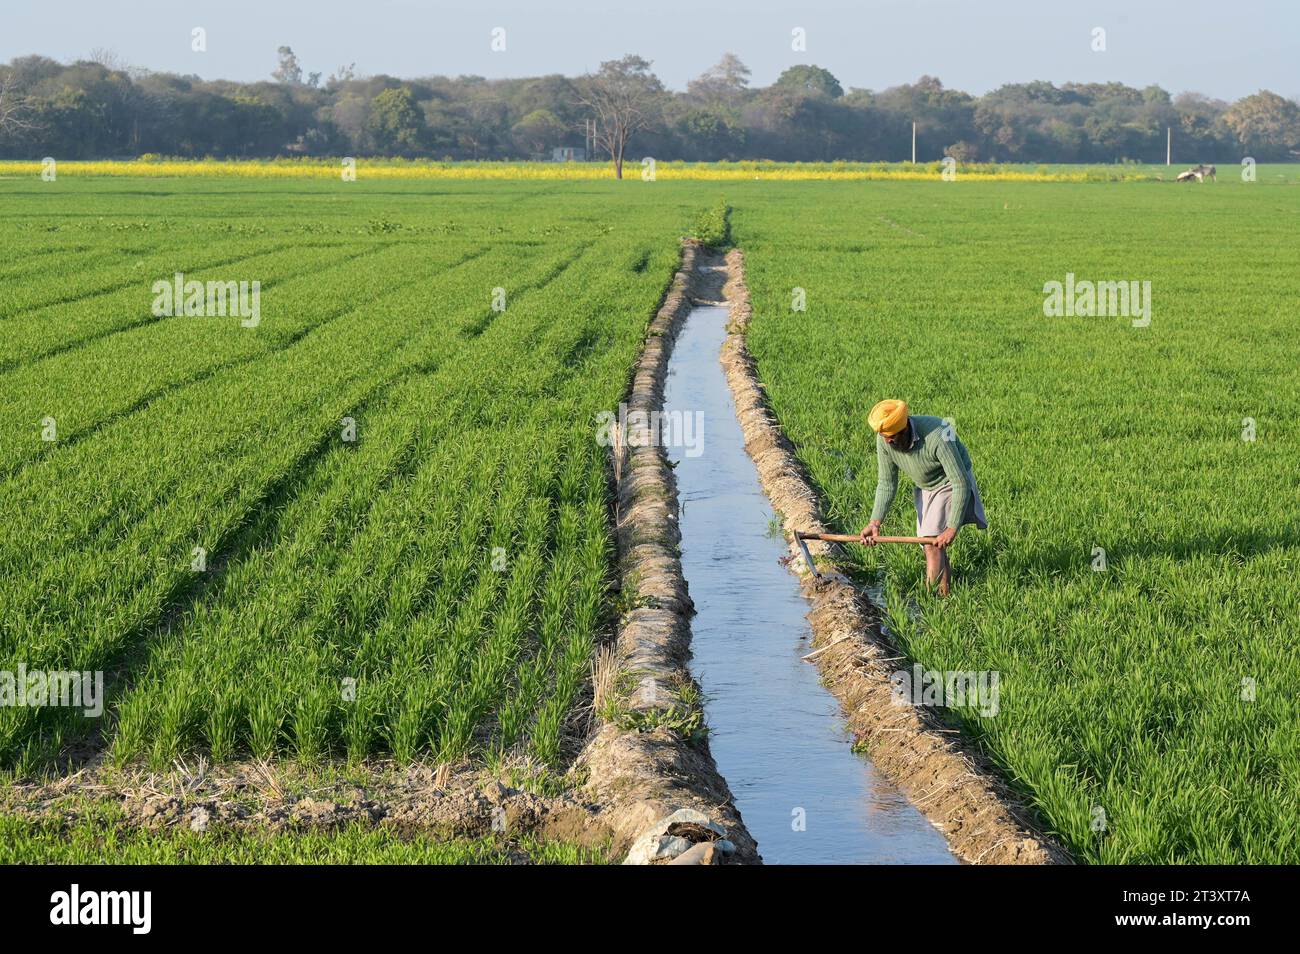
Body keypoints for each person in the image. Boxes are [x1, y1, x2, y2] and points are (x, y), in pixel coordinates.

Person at [859, 399, 987, 596]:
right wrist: (875, 522)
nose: (887, 442)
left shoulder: (938, 434)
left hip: (950, 481)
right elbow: (887, 483)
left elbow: (960, 481)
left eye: (892, 438)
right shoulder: (884, 440)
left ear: (904, 430)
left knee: (930, 543)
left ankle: (929, 602)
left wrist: (952, 527)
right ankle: (945, 596)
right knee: (932, 545)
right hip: (925, 486)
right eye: (884, 437)